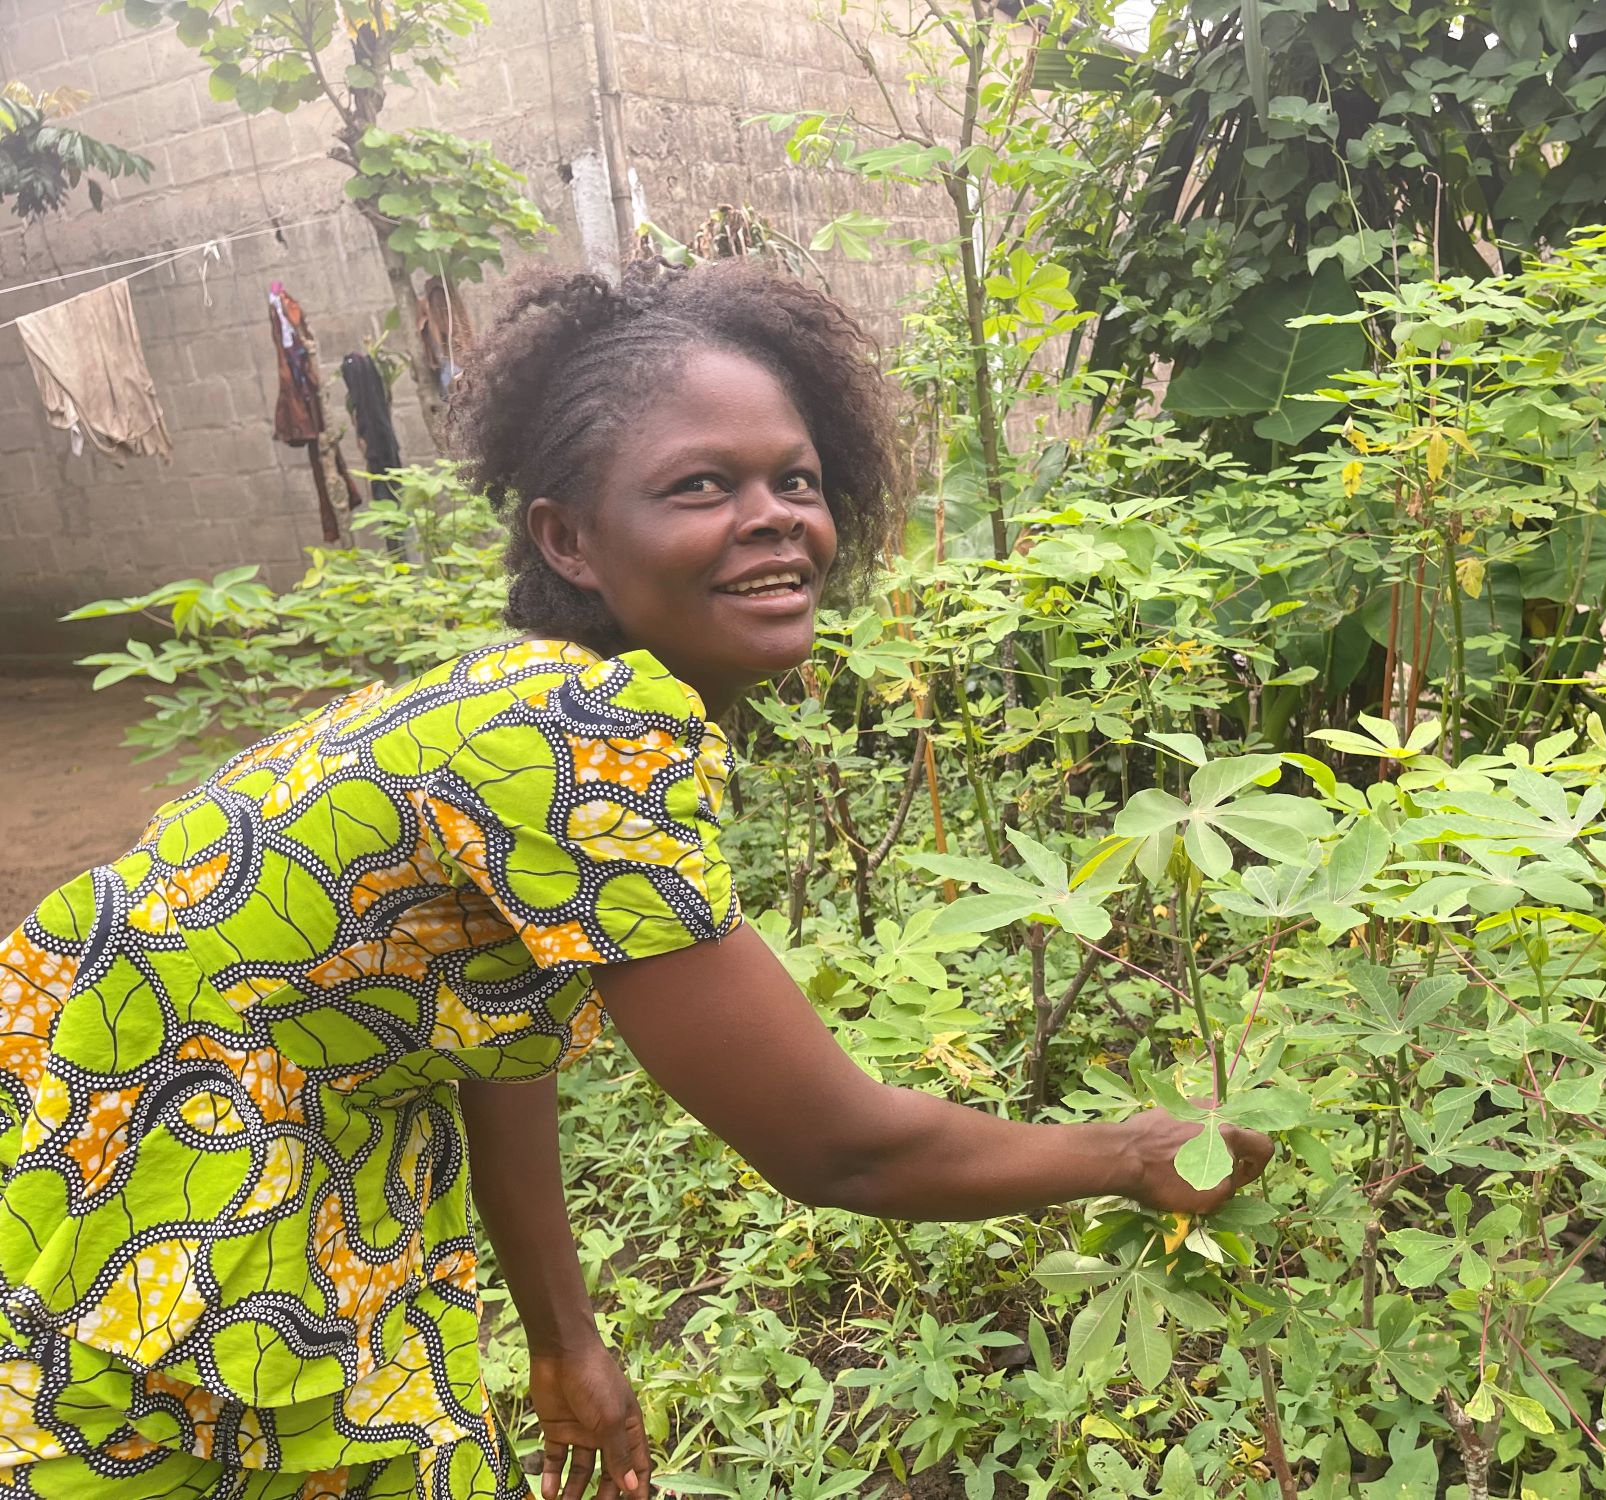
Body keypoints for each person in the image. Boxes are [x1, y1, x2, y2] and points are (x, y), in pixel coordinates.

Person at [0, 258, 1273, 1500]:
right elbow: (839, 1153)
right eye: (701, 484)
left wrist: (564, 1339)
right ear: (570, 539)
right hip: (149, 1193)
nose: (776, 515)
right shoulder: (574, 739)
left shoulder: (541, 706)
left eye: (798, 480)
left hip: (243, 1158)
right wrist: (1128, 1151)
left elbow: (497, 1037)